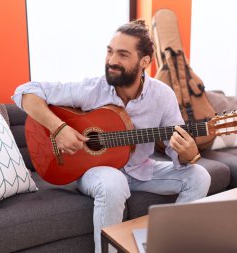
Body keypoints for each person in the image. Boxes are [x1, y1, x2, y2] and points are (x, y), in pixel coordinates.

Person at [12, 20, 211, 253]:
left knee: (200, 176)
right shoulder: (91, 89)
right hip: (93, 171)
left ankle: (169, 245)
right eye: (110, 51)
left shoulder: (162, 96)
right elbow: (24, 92)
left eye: (123, 54)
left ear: (144, 62)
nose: (112, 61)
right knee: (113, 182)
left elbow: (175, 147)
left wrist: (188, 155)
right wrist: (59, 129)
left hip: (140, 170)